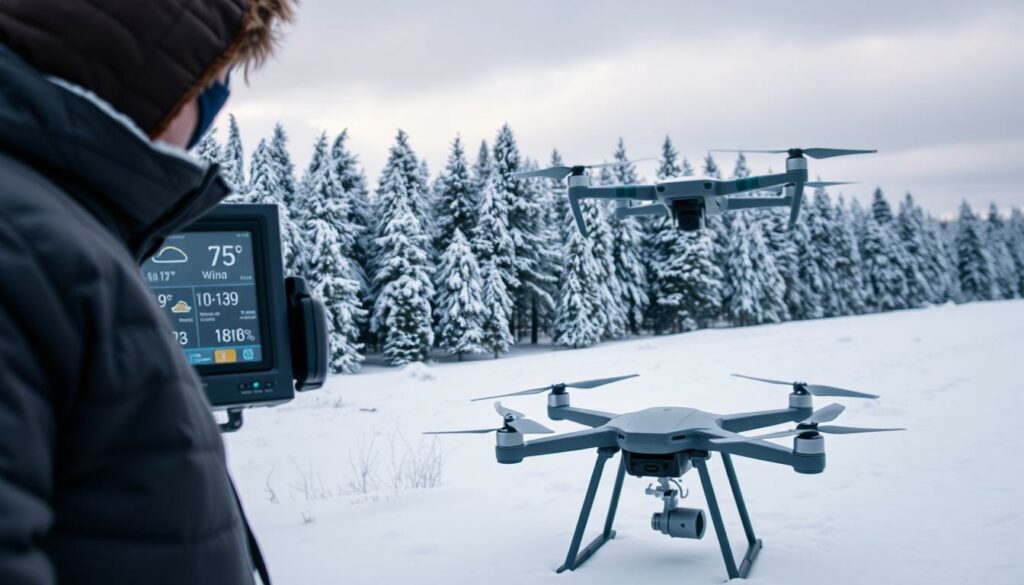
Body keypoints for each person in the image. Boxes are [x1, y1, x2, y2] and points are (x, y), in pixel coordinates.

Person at [0, 1, 295, 583]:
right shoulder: (24, 241)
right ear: (154, 68)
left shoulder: (54, 231)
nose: (203, 123)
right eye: (210, 85)